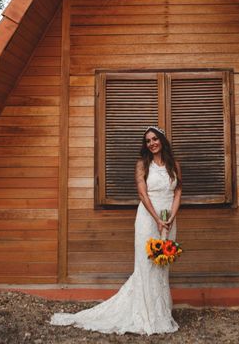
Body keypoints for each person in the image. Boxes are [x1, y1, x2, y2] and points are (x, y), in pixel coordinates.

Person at [50, 125, 183, 334]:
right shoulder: (142, 165)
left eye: (155, 139)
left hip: (169, 219)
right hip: (149, 219)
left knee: (163, 265)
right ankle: (146, 315)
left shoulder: (174, 165)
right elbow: (143, 194)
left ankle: (162, 313)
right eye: (148, 141)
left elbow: (177, 191)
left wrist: (171, 217)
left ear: (162, 140)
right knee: (147, 266)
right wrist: (157, 218)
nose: (152, 143)